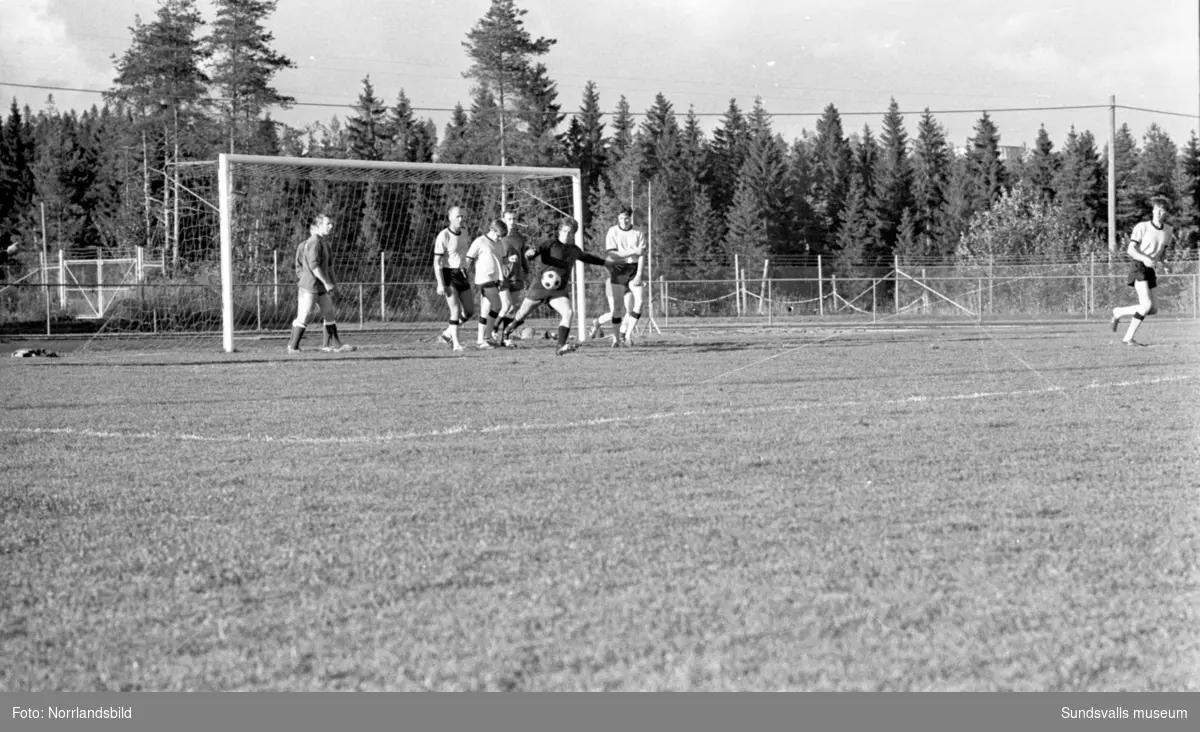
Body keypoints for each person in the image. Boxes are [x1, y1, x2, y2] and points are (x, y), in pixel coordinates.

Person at [501, 217, 642, 356]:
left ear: (574, 234)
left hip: (559, 291)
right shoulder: (550, 244)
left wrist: (606, 263)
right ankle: (507, 332)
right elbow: (534, 251)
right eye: (564, 231)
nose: (567, 234)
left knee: (568, 312)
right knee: (521, 314)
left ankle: (561, 346)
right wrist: (529, 254)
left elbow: (588, 258)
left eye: (570, 232)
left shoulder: (574, 250)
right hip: (539, 287)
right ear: (559, 231)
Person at [287, 212, 355, 354]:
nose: (331, 226)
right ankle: (293, 347)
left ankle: (335, 346)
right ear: (318, 226)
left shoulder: (324, 243)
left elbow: (329, 267)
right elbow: (314, 266)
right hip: (310, 285)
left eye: (331, 224)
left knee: (329, 313)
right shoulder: (314, 242)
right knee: (305, 314)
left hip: (321, 286)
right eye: (327, 224)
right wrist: (326, 282)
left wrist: (333, 285)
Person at [1111, 195, 1173, 346]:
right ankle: (1128, 338)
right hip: (1139, 266)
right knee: (1145, 305)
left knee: (1153, 309)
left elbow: (1162, 253)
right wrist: (1144, 258)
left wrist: (1165, 264)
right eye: (1156, 210)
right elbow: (1130, 250)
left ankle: (1118, 312)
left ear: (1166, 213)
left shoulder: (1168, 230)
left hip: (1150, 269)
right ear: (1152, 211)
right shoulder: (1142, 227)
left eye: (1162, 210)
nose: (1158, 213)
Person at [590, 207, 646, 347]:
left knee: (637, 304)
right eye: (621, 218)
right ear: (617, 218)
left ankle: (627, 336)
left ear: (630, 217)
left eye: (626, 218)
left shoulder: (638, 231)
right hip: (618, 272)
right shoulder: (613, 231)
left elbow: (641, 255)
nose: (624, 221)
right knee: (617, 310)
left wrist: (639, 274)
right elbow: (613, 255)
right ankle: (610, 333)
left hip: (633, 271)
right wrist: (633, 251)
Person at [432, 205, 475, 351]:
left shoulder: (465, 232)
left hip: (462, 274)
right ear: (450, 217)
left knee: (469, 311)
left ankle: (447, 333)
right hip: (448, 275)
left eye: (462, 215)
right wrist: (440, 283)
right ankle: (456, 344)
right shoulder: (443, 235)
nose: (460, 218)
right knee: (455, 310)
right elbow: (436, 262)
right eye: (457, 216)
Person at [465, 218, 509, 349]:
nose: (499, 238)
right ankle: (486, 337)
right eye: (498, 235)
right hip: (484, 280)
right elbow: (468, 259)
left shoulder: (499, 243)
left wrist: (510, 260)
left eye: (501, 237)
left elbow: (502, 260)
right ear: (492, 230)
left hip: (496, 280)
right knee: (498, 305)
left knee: (486, 310)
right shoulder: (480, 242)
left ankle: (483, 339)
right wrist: (462, 275)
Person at [494, 209, 528, 344]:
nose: (512, 222)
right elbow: (494, 256)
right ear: (503, 220)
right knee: (506, 306)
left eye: (514, 219)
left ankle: (505, 338)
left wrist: (526, 269)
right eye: (509, 219)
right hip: (502, 275)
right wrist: (507, 261)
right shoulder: (498, 237)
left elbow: (523, 256)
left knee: (512, 308)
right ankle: (493, 329)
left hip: (516, 275)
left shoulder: (520, 237)